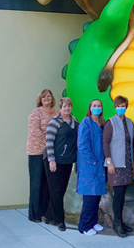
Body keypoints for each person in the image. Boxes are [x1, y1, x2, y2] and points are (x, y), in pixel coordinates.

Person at [103, 95, 134, 238]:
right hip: (115, 165)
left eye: (123, 106)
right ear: (115, 107)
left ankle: (121, 222)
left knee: (122, 196)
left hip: (126, 164)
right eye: (118, 106)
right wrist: (109, 161)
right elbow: (105, 142)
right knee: (118, 195)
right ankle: (116, 223)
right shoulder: (111, 122)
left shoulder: (130, 123)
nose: (121, 108)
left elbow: (132, 143)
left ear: (126, 107)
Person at [44, 97, 78, 231]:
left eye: (69, 106)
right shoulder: (54, 122)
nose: (67, 108)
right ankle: (60, 220)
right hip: (54, 161)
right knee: (56, 191)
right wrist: (51, 160)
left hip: (67, 161)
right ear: (60, 108)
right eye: (64, 106)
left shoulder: (74, 121)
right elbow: (49, 141)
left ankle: (49, 216)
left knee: (61, 190)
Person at [27, 89, 58, 223]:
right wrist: (52, 140)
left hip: (51, 153)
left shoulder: (56, 113)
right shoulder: (36, 113)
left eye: (48, 96)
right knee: (37, 183)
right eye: (44, 97)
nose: (46, 99)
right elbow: (35, 132)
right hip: (37, 152)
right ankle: (35, 214)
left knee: (48, 184)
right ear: (40, 99)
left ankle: (46, 212)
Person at [77, 99, 107, 235]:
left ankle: (93, 222)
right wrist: (92, 161)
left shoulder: (101, 124)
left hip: (99, 166)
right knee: (89, 198)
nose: (97, 108)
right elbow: (82, 146)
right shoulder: (86, 123)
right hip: (89, 167)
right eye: (94, 106)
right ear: (90, 108)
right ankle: (84, 226)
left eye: (99, 106)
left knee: (96, 197)